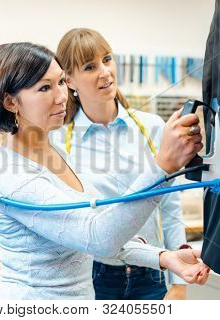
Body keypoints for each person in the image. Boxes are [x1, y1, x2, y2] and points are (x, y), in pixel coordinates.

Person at [0, 42, 209, 300]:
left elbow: (98, 226)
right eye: (44, 88)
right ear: (10, 102)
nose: (61, 96)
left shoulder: (56, 153)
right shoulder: (12, 176)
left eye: (61, 82)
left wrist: (164, 257)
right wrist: (163, 165)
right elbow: (99, 238)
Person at [54, 28, 198, 300]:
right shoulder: (59, 141)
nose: (105, 72)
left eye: (107, 59)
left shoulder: (152, 128)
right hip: (93, 276)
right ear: (69, 80)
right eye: (89, 66)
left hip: (153, 272)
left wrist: (179, 283)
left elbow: (169, 207)